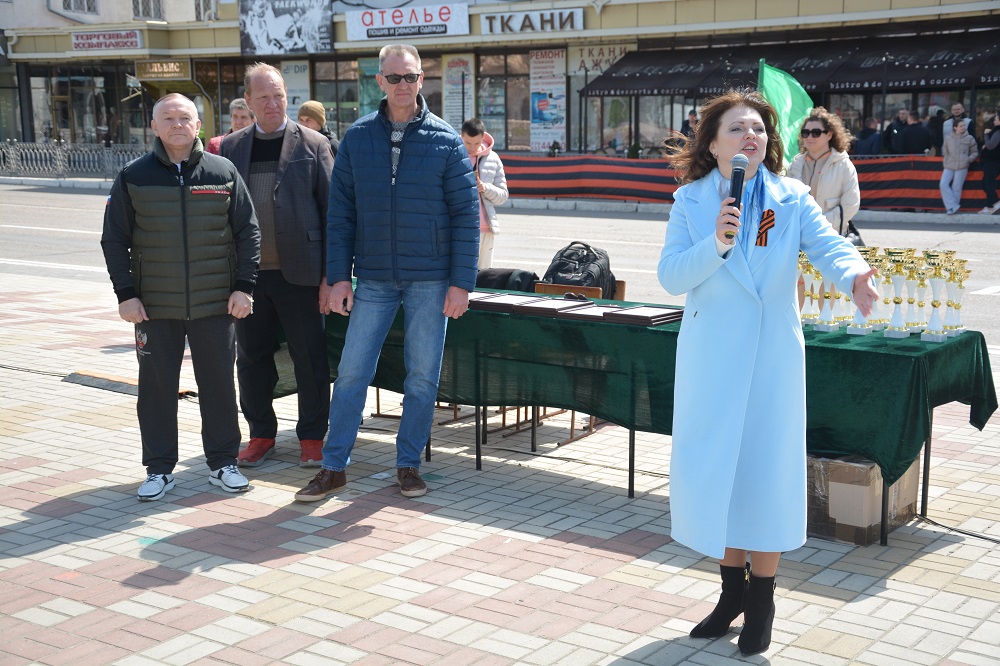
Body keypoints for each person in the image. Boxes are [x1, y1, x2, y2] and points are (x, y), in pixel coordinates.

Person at [657, 89, 878, 657]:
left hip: (772, 360)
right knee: (723, 475)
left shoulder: (792, 195)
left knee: (767, 474)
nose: (749, 136)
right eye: (736, 128)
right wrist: (716, 242)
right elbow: (672, 276)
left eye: (757, 128)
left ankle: (763, 602)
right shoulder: (690, 201)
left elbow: (828, 246)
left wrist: (856, 274)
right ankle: (731, 592)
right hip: (712, 360)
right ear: (712, 144)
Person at [294, 43, 478, 503]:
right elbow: (341, 215)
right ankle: (333, 467)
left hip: (431, 280)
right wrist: (339, 276)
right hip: (373, 278)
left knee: (422, 377)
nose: (402, 85)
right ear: (380, 81)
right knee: (351, 373)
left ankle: (408, 464)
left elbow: (466, 216)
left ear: (421, 79)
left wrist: (461, 284)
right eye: (393, 77)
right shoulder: (358, 138)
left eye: (410, 77)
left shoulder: (445, 139)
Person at [100, 93, 261, 502]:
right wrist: (126, 295)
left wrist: (244, 287)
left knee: (219, 386)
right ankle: (158, 469)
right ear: (154, 126)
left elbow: (248, 232)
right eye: (168, 118)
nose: (177, 125)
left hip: (215, 304)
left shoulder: (222, 171)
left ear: (198, 125)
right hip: (154, 308)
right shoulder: (134, 176)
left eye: (185, 118)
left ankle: (223, 463)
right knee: (156, 390)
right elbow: (114, 239)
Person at [220, 63, 336, 469]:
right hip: (248, 278)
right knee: (252, 359)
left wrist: (331, 277)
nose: (272, 104)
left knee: (310, 359)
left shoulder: (314, 144)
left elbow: (334, 215)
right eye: (264, 97)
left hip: (302, 275)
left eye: (279, 96)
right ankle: (261, 435)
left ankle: (312, 438)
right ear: (248, 101)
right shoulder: (230, 147)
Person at [788, 107, 862, 309]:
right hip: (798, 240)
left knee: (825, 294)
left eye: (815, 132)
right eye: (805, 133)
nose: (809, 137)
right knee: (799, 294)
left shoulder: (844, 164)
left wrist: (818, 225)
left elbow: (851, 204)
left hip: (829, 238)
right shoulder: (795, 164)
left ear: (829, 134)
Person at [460, 117, 508, 270]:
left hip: (487, 228)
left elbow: (503, 196)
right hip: (460, 227)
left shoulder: (493, 158)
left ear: (483, 137)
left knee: (485, 276)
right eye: (468, 143)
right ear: (461, 136)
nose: (472, 147)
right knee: (463, 275)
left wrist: (484, 188)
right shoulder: (453, 156)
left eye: (476, 143)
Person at [940, 119, 979, 214]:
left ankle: (952, 208)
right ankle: (952, 205)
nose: (963, 127)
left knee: (956, 187)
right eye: (961, 126)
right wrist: (946, 158)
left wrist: (968, 159)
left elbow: (974, 152)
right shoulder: (948, 138)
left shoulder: (970, 138)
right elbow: (944, 150)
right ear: (955, 127)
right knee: (943, 184)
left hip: (962, 165)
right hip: (949, 164)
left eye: (964, 125)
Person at [979, 110, 1000, 214]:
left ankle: (993, 204)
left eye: (996, 119)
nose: (994, 121)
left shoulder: (998, 131)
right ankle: (991, 205)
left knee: (988, 184)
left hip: (992, 162)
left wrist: (986, 135)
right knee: (986, 183)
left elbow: (991, 145)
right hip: (992, 161)